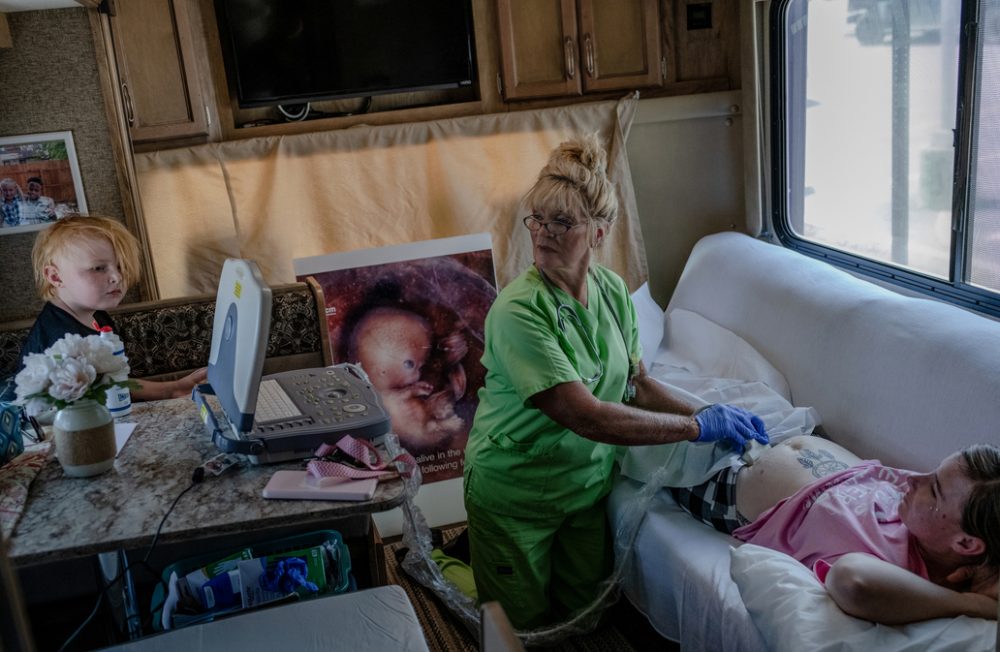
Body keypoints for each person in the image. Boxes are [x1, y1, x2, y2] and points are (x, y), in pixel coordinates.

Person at [462, 134, 770, 630]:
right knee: (519, 629)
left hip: (584, 488)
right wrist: (694, 430)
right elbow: (587, 415)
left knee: (585, 618)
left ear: (600, 232)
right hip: (514, 492)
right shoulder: (519, 311)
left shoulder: (611, 293)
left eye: (562, 222)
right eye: (537, 219)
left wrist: (703, 413)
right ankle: (454, 567)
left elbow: (636, 383)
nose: (542, 233)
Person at [669, 435, 1000, 624]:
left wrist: (972, 604)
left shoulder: (907, 573)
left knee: (639, 421)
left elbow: (852, 580)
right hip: (770, 436)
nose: (914, 478)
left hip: (728, 488)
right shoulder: (934, 516)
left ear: (967, 544)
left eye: (934, 488)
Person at [18, 215, 206, 401]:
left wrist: (176, 387)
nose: (117, 277)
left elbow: (111, 381)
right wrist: (173, 389)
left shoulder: (96, 315)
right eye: (99, 268)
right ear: (56, 277)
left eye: (120, 266)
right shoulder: (61, 341)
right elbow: (101, 394)